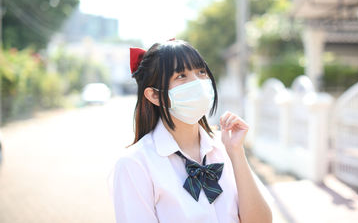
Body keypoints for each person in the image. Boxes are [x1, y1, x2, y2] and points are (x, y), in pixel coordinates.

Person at [108, 39, 273, 223]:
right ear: (155, 95)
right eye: (181, 76)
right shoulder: (135, 165)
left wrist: (237, 153)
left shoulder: (224, 146)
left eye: (201, 72)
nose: (197, 82)